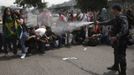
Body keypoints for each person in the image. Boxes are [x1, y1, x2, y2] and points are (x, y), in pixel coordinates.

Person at [98, 4, 129, 75]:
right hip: (116, 41)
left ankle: (123, 72)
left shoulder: (123, 18)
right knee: (116, 53)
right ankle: (115, 66)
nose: (111, 11)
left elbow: (125, 29)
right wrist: (99, 23)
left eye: (112, 9)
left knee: (121, 56)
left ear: (116, 10)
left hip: (121, 41)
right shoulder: (116, 18)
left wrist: (117, 36)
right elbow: (108, 22)